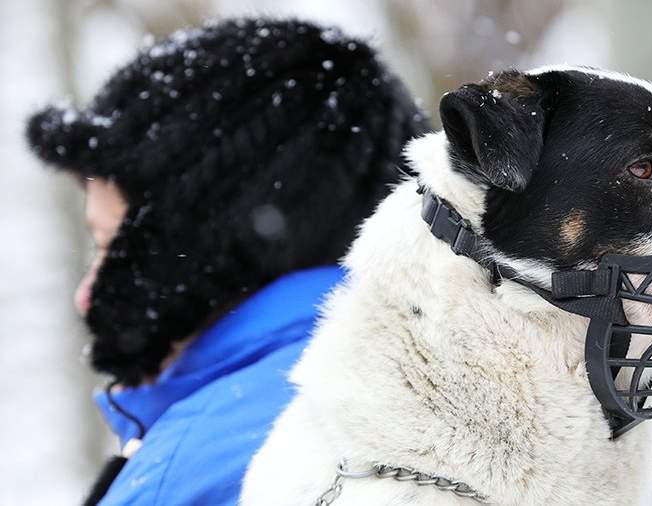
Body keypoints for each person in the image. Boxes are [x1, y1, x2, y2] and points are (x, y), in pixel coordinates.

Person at [26, 17, 428, 505]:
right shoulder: (452, 412)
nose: (86, 294)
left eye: (111, 245)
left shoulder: (204, 465)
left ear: (198, 245)